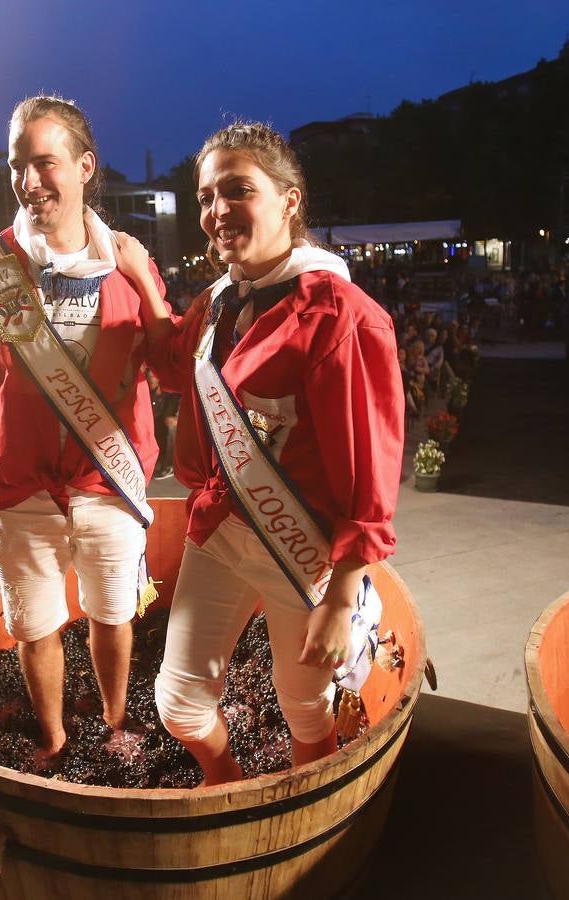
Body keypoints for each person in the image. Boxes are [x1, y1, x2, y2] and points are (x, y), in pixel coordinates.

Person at [115, 122, 405, 785]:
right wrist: (140, 275)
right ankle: (226, 784)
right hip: (219, 531)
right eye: (206, 196)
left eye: (238, 191)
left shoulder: (340, 315)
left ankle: (308, 813)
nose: (217, 211)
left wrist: (341, 598)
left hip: (301, 552)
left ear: (289, 200)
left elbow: (371, 479)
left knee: (304, 708)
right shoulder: (219, 301)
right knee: (179, 705)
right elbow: (169, 364)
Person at [0, 95, 165, 766]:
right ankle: (57, 739)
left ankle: (117, 723)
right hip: (20, 489)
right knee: (34, 628)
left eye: (45, 163)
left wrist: (148, 288)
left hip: (108, 481)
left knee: (113, 615)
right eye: (17, 167)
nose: (30, 183)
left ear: (85, 167)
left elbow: (171, 363)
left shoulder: (130, 264)